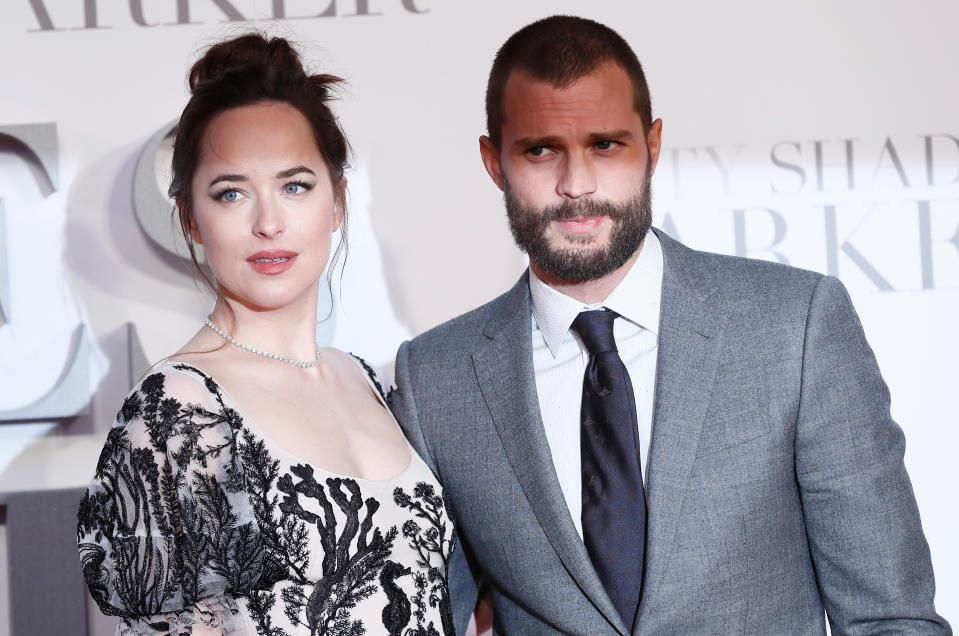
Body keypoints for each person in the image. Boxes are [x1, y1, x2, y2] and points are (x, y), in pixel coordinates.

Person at [392, 15, 951, 635]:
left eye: (606, 145)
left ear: (651, 146)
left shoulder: (795, 327)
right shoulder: (435, 378)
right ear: (494, 162)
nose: (576, 185)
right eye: (541, 149)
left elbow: (889, 619)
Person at [77, 33, 455, 636]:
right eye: (232, 193)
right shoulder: (176, 410)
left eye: (295, 186)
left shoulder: (363, 378)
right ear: (191, 219)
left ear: (337, 202)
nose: (269, 223)